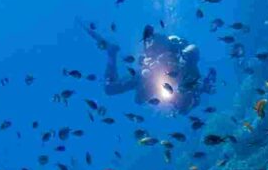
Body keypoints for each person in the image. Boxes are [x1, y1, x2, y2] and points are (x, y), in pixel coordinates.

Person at [80, 21, 217, 115]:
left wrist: (200, 89)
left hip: (157, 80)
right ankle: (111, 52)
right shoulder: (183, 65)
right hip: (152, 74)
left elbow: (188, 104)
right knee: (110, 89)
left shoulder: (190, 75)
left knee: (138, 99)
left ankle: (111, 52)